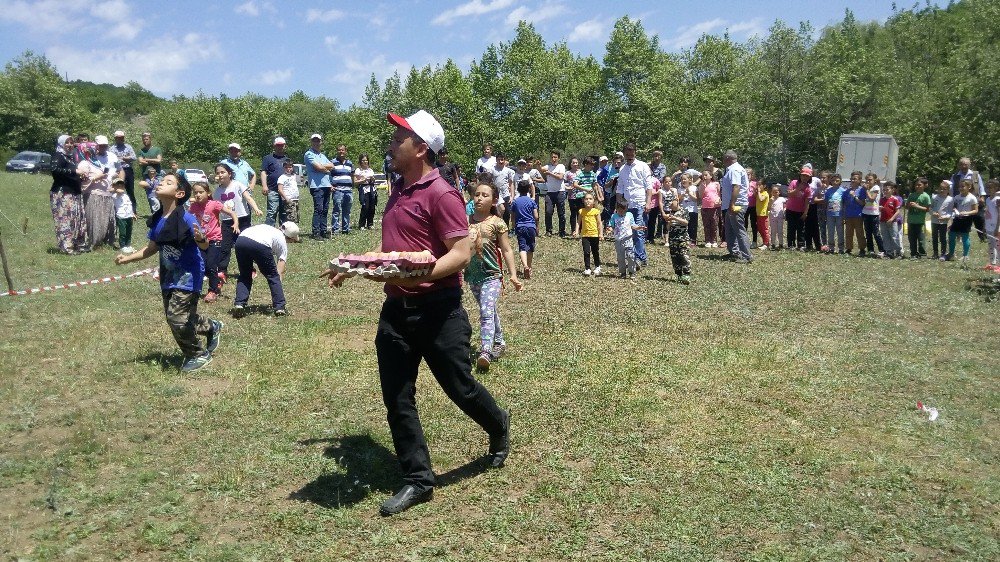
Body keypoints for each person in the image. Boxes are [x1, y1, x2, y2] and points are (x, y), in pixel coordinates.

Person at [321, 109, 510, 516]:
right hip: (396, 311)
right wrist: (356, 265)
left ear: (421, 147)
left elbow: (460, 255)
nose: (391, 143)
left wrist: (417, 278)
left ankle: (498, 424)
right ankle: (418, 479)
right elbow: (396, 249)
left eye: (398, 137)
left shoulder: (441, 193)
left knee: (460, 388)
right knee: (397, 396)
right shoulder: (399, 189)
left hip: (438, 312)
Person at [114, 172, 222, 373]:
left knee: (176, 318)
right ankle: (212, 326)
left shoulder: (187, 219)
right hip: (168, 277)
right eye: (162, 181)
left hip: (189, 277)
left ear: (179, 193)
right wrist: (127, 258)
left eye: (168, 182)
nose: (161, 183)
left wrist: (200, 238)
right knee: (182, 317)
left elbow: (205, 244)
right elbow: (151, 248)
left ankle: (198, 355)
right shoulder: (158, 220)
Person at [466, 181, 523, 370]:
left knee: (485, 311)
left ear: (494, 201)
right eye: (477, 194)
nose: (480, 198)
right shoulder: (465, 221)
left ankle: (485, 351)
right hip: (473, 276)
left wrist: (513, 275)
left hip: (492, 275)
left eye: (485, 195)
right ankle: (499, 341)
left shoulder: (497, 223)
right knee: (488, 310)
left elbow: (506, 250)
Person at [232, 222, 299, 317]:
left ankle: (239, 304)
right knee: (273, 276)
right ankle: (280, 307)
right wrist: (277, 283)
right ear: (290, 238)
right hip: (260, 245)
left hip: (241, 240)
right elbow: (280, 269)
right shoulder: (282, 241)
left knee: (245, 275)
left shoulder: (270, 228)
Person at [214, 162, 263, 281]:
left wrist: (256, 208)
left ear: (229, 174)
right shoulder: (217, 192)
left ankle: (249, 269)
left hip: (243, 219)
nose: (220, 175)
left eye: (223, 172)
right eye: (218, 173)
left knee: (244, 246)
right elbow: (216, 208)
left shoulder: (238, 185)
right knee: (225, 247)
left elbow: (248, 198)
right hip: (227, 221)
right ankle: (222, 271)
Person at [189, 181, 237, 303]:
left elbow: (231, 212)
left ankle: (213, 290)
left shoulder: (214, 204)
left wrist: (235, 223)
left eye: (201, 192)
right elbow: (187, 219)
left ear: (208, 193)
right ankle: (216, 278)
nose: (198, 195)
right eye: (195, 193)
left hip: (215, 239)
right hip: (200, 240)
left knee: (211, 265)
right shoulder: (193, 207)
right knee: (201, 265)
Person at [50, 134, 89, 255]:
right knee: (65, 220)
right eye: (67, 142)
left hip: (75, 192)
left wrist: (81, 175)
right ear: (61, 144)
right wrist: (75, 171)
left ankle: (78, 244)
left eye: (72, 143)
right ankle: (67, 247)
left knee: (77, 220)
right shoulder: (58, 155)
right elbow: (54, 169)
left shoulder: (71, 157)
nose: (70, 145)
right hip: (63, 193)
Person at [615, 143, 652, 266]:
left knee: (638, 231)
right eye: (627, 155)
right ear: (624, 154)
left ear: (635, 153)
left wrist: (648, 202)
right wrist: (619, 204)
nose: (630, 156)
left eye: (632, 154)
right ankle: (642, 257)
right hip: (627, 205)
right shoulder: (622, 169)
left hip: (640, 203)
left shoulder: (642, 166)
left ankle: (639, 258)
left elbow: (648, 186)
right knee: (629, 232)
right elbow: (620, 188)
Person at [77, 142, 118, 249]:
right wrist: (97, 178)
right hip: (94, 196)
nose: (95, 150)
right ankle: (94, 243)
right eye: (92, 149)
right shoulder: (84, 164)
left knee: (106, 221)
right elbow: (82, 182)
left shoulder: (96, 162)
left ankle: (106, 241)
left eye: (95, 148)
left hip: (106, 195)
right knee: (96, 220)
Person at [720, 150, 752, 263]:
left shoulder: (734, 169)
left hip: (736, 204)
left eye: (724, 158)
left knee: (739, 230)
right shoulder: (731, 169)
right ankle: (734, 253)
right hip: (730, 204)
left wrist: (732, 204)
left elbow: (736, 187)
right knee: (729, 229)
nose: (723, 161)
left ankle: (747, 256)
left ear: (728, 158)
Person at [305, 134, 334, 240]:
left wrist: (322, 167)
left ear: (321, 142)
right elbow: (317, 167)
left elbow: (332, 165)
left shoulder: (322, 155)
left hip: (326, 185)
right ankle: (316, 232)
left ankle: (323, 231)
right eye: (314, 141)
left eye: (318, 141)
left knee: (325, 209)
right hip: (316, 186)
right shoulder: (308, 154)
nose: (316, 143)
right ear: (311, 142)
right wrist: (322, 168)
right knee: (319, 209)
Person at [950, 157, 987, 241]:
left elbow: (981, 186)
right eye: (961, 164)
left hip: (975, 201)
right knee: (959, 220)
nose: (963, 166)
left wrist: (982, 197)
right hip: (960, 202)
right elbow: (951, 188)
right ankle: (959, 237)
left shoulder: (975, 174)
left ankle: (983, 238)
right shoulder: (955, 176)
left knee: (980, 219)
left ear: (969, 165)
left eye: (966, 164)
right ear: (959, 165)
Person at [661, 184, 691, 284]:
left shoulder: (683, 211)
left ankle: (686, 274)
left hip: (682, 238)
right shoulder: (670, 213)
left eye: (671, 203)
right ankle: (678, 274)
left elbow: (686, 222)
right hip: (673, 239)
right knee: (675, 257)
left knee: (684, 256)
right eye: (668, 204)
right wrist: (668, 222)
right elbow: (668, 228)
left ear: (677, 201)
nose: (670, 205)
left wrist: (675, 218)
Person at [945, 179, 979, 265]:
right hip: (957, 219)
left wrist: (966, 213)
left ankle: (965, 255)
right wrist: (955, 210)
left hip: (966, 220)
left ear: (969, 187)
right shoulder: (957, 197)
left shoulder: (972, 198)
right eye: (959, 186)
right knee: (951, 235)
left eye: (963, 186)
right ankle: (951, 253)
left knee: (965, 237)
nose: (961, 188)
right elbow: (955, 207)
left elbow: (975, 210)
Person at [607, 201, 644, 278]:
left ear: (626, 209)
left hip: (628, 239)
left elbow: (633, 225)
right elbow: (611, 225)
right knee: (620, 258)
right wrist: (609, 229)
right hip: (618, 240)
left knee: (630, 256)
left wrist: (638, 227)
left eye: (623, 210)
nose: (621, 212)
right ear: (617, 209)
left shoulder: (629, 215)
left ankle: (632, 271)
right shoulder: (614, 216)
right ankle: (622, 272)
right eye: (619, 210)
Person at [510, 180, 538, 279]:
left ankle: (525, 266)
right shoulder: (531, 201)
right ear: (529, 189)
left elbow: (512, 217)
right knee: (530, 248)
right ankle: (529, 267)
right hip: (531, 226)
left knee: (522, 247)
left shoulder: (515, 202)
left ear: (518, 189)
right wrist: (536, 226)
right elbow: (536, 216)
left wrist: (513, 226)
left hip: (520, 227)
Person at [260, 136, 289, 226]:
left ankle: (284, 233)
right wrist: (264, 186)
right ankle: (269, 233)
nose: (280, 147)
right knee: (272, 212)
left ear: (285, 146)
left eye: (281, 145)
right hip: (273, 189)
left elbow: (291, 174)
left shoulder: (287, 159)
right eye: (278, 145)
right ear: (274, 146)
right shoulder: (268, 158)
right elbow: (263, 172)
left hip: (285, 190)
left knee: (284, 212)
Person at [574, 192, 603, 276]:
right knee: (586, 252)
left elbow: (599, 223)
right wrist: (576, 231)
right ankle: (587, 268)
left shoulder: (596, 211)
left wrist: (600, 234)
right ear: (583, 200)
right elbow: (578, 222)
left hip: (594, 235)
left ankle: (597, 266)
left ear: (594, 201)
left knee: (595, 251)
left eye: (590, 199)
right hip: (585, 235)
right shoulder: (581, 211)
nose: (588, 201)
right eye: (586, 199)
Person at [538, 151, 567, 237]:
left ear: (558, 158)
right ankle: (548, 230)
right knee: (548, 212)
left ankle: (562, 231)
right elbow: (541, 169)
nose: (553, 159)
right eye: (552, 157)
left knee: (561, 212)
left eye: (555, 157)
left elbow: (560, 177)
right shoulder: (548, 166)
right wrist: (538, 165)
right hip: (549, 192)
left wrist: (550, 173)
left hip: (560, 192)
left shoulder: (561, 166)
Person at [785, 167, 813, 250]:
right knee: (791, 228)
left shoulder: (808, 188)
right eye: (803, 175)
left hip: (800, 211)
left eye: (807, 176)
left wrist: (805, 213)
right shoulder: (794, 182)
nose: (805, 177)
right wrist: (798, 188)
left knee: (801, 229)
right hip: (790, 210)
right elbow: (789, 194)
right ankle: (791, 244)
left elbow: (807, 202)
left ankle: (801, 245)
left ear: (809, 178)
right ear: (800, 176)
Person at [110, 130, 137, 211]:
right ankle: (117, 208)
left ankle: (133, 210)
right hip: (117, 171)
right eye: (119, 138)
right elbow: (113, 160)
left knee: (130, 190)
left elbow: (134, 157)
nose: (121, 139)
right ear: (115, 138)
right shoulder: (112, 149)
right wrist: (125, 158)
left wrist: (125, 158)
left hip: (128, 169)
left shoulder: (128, 147)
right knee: (117, 188)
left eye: (122, 137)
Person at [330, 144, 354, 234]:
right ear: (337, 151)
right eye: (339, 150)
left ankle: (345, 229)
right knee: (336, 210)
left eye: (343, 150)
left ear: (346, 151)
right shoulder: (332, 162)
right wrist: (330, 185)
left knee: (347, 210)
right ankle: (335, 229)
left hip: (348, 190)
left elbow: (352, 175)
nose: (341, 152)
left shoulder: (350, 163)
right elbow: (327, 175)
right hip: (338, 190)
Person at [905, 178, 932, 259]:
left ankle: (922, 254)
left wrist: (917, 206)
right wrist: (909, 205)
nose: (917, 186)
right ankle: (913, 253)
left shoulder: (926, 196)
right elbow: (906, 207)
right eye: (916, 185)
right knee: (912, 239)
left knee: (921, 239)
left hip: (920, 221)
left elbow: (927, 209)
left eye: (919, 185)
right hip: (911, 221)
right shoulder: (911, 195)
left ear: (924, 186)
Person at [861, 173, 886, 258]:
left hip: (874, 214)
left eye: (870, 180)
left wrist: (867, 190)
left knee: (876, 233)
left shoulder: (876, 187)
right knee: (868, 233)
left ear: (874, 180)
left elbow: (872, 199)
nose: (868, 181)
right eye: (867, 180)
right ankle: (870, 250)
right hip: (866, 213)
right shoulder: (866, 188)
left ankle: (882, 250)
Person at [843, 171, 867, 256]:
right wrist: (844, 215)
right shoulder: (846, 192)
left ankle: (862, 249)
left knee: (859, 233)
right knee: (848, 233)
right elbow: (844, 204)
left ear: (860, 180)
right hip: (848, 215)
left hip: (858, 215)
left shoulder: (862, 190)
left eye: (855, 179)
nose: (853, 180)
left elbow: (862, 203)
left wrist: (854, 196)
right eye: (852, 179)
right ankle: (849, 249)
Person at [823, 173, 846, 254]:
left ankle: (841, 248)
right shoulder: (828, 191)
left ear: (840, 181)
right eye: (833, 180)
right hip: (830, 215)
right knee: (830, 231)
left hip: (839, 215)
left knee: (840, 232)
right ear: (830, 181)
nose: (835, 182)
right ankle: (831, 247)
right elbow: (826, 202)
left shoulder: (843, 191)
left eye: (837, 180)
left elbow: (845, 203)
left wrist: (844, 215)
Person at [491, 152, 515, 227]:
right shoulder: (492, 170)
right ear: (496, 160)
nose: (501, 161)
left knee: (507, 212)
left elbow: (511, 184)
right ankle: (496, 227)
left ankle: (506, 228)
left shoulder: (508, 171)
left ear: (505, 160)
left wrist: (512, 196)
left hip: (506, 194)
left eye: (502, 160)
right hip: (496, 194)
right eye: (499, 160)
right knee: (497, 211)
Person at [879, 182, 903, 258]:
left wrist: (892, 219)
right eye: (884, 190)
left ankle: (898, 252)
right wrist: (880, 209)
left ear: (892, 190)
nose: (885, 191)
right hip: (883, 221)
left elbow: (898, 211)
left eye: (887, 189)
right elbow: (880, 209)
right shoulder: (882, 199)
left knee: (894, 237)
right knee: (885, 237)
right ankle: (889, 252)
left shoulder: (895, 199)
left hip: (892, 222)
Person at [930, 181, 953, 259]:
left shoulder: (950, 199)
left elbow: (950, 211)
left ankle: (943, 253)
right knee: (934, 237)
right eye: (941, 189)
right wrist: (933, 213)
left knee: (943, 237)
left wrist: (946, 217)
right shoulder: (934, 197)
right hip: (934, 221)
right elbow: (930, 207)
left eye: (944, 189)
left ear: (948, 190)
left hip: (944, 221)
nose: (942, 190)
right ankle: (935, 253)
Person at [112, 178, 135, 254]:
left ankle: (128, 245)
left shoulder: (126, 195)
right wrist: (115, 190)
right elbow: (110, 190)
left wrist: (133, 214)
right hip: (121, 217)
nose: (121, 187)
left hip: (129, 216)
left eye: (122, 185)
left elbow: (129, 205)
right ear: (114, 186)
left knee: (129, 231)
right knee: (123, 232)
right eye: (118, 185)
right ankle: (123, 246)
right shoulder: (114, 195)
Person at [699, 169, 721, 247]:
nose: (704, 177)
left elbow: (719, 194)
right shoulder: (701, 185)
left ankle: (714, 240)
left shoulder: (716, 184)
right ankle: (707, 240)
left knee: (714, 223)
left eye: (706, 175)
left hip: (714, 207)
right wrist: (703, 187)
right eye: (703, 175)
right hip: (705, 207)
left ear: (711, 176)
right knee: (706, 224)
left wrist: (719, 200)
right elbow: (701, 196)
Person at [276, 159, 301, 226]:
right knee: (290, 218)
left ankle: (294, 233)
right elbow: (280, 190)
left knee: (296, 217)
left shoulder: (293, 176)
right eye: (286, 167)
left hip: (295, 199)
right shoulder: (282, 177)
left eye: (290, 167)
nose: (288, 169)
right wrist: (286, 199)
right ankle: (289, 234)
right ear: (283, 168)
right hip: (288, 200)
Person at [565, 157, 583, 235]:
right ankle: (573, 230)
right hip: (572, 196)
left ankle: (581, 230)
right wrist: (568, 187)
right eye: (574, 163)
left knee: (581, 213)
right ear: (571, 164)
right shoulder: (568, 173)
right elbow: (562, 182)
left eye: (576, 162)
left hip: (581, 196)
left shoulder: (581, 172)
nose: (575, 164)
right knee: (573, 213)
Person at [985, 179, 1000, 268]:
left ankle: (997, 264)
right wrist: (984, 225)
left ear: (996, 188)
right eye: (987, 187)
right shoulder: (987, 199)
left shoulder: (997, 199)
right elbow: (987, 212)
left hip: (996, 226)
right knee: (991, 244)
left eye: (990, 188)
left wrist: (997, 228)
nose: (988, 189)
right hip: (988, 225)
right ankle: (992, 262)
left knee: (997, 246)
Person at [768, 185, 786, 250]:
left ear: (779, 192)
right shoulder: (771, 199)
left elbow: (785, 206)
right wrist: (770, 202)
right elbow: (768, 208)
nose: (775, 193)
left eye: (776, 192)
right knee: (773, 231)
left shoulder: (782, 199)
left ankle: (781, 244)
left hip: (780, 217)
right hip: (773, 217)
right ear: (771, 192)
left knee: (780, 231)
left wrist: (785, 210)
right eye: (773, 192)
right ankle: (773, 244)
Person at [755, 181, 770, 250]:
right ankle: (764, 242)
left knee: (764, 229)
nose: (758, 186)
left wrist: (758, 192)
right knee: (760, 229)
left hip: (763, 215)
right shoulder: (759, 193)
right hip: (758, 214)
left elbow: (761, 199)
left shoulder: (765, 193)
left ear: (764, 186)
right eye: (757, 185)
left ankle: (766, 243)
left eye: (759, 185)